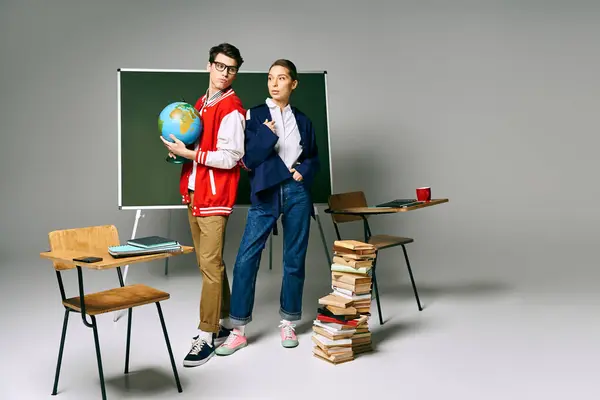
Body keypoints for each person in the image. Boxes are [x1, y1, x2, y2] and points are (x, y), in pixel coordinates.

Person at [215, 59, 320, 356]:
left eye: (282, 78)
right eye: (271, 78)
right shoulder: (254, 115)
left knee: (294, 259)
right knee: (246, 258)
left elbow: (313, 156)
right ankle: (238, 329)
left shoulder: (304, 120)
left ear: (293, 83)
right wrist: (267, 134)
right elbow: (247, 159)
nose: (274, 83)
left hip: (297, 192)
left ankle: (288, 321)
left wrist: (304, 171)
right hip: (266, 192)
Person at [160, 43, 245, 367]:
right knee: (211, 265)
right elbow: (200, 145)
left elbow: (230, 157)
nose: (225, 73)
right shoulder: (201, 103)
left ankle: (206, 335)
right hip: (194, 194)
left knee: (209, 267)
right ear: (209, 65)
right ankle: (223, 322)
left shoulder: (232, 108)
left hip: (214, 197)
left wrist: (190, 154)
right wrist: (179, 151)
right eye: (220, 66)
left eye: (231, 69)